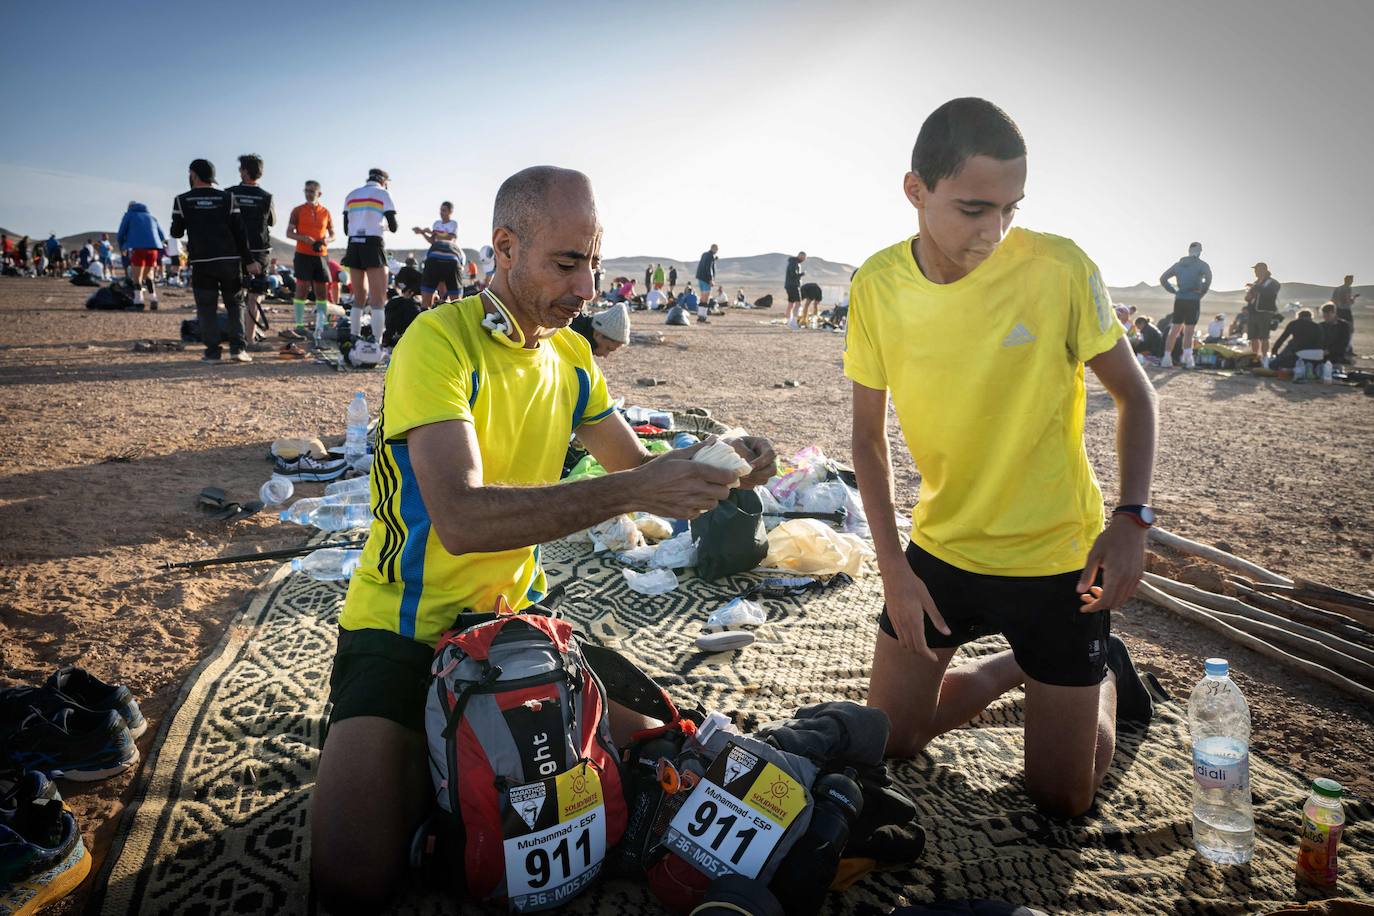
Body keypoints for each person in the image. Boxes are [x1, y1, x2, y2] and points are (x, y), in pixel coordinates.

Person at [309, 165, 776, 911]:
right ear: (504, 246)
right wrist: (634, 490)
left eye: (594, 261)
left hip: (514, 626)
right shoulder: (438, 342)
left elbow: (641, 466)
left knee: (664, 742)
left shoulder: (571, 355)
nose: (589, 286)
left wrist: (728, 464)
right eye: (568, 263)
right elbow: (460, 520)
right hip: (403, 626)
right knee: (349, 880)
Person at [848, 98, 1158, 821]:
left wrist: (1131, 518)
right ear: (915, 191)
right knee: (890, 744)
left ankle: (1104, 672)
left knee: (1061, 798)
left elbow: (1135, 396)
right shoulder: (877, 285)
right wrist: (894, 568)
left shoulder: (1058, 267)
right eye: (974, 209)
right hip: (943, 550)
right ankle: (1018, 665)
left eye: (1011, 209)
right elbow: (867, 439)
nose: (994, 232)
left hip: (1058, 559)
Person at [171, 158, 258, 363]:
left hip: (202, 262)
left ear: (193, 174)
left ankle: (212, 353)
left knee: (206, 307)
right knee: (235, 305)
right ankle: (238, 350)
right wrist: (249, 261)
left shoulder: (182, 200)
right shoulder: (227, 198)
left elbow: (176, 231)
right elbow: (240, 232)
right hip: (229, 260)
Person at [342, 168, 397, 346]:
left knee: (359, 296)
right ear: (384, 181)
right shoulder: (383, 194)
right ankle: (376, 341)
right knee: (378, 298)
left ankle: (354, 336)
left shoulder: (351, 194)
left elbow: (345, 229)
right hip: (373, 244)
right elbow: (394, 226)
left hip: (353, 245)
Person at [287, 180, 335, 339]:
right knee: (301, 290)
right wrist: (303, 238)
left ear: (319, 194)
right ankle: (299, 325)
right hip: (302, 254)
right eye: (306, 190)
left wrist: (326, 241)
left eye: (311, 191)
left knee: (321, 292)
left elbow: (333, 234)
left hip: (321, 255)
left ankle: (322, 324)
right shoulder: (297, 210)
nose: (308, 194)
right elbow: (289, 233)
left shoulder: (326, 212)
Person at [1158, 242, 1212, 368]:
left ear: (1188, 251)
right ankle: (1188, 360)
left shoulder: (1178, 265)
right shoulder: (1202, 265)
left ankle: (1166, 358)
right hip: (1193, 299)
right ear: (1199, 251)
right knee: (1189, 331)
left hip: (1180, 298)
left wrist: (1173, 290)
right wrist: (1202, 291)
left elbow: (1163, 278)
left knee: (1174, 329)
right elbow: (1208, 278)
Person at [116, 200, 167, 308]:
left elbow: (121, 233)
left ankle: (138, 301)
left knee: (137, 276)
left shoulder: (129, 215)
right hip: (153, 249)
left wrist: (122, 246)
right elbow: (161, 235)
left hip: (138, 248)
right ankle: (153, 298)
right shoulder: (151, 217)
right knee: (149, 275)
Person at [412, 201, 464, 307]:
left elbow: (450, 238)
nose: (441, 212)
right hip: (436, 255)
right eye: (440, 210)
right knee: (428, 300)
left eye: (444, 210)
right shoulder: (436, 223)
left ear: (450, 211)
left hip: (450, 254)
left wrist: (432, 233)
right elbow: (433, 241)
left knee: (455, 301)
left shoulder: (453, 223)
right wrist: (423, 233)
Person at [1243, 262, 1281, 366]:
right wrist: (1249, 296)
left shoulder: (1272, 282)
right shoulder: (1256, 282)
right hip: (1253, 312)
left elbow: (1270, 292)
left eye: (1257, 270)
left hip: (1265, 312)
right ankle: (1255, 358)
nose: (1255, 272)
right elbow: (1249, 297)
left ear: (1263, 270)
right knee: (1253, 337)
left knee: (1264, 337)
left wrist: (1255, 288)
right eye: (1255, 270)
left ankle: (1264, 359)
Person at [1331, 275, 1358, 360]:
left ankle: (1338, 348)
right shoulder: (1348, 288)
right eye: (1351, 280)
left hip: (1337, 311)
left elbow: (1332, 300)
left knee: (1338, 329)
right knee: (1349, 330)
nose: (1352, 282)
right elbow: (1347, 300)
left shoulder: (1337, 289)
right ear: (1348, 280)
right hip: (1345, 311)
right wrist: (1353, 298)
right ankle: (1348, 349)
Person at [785, 251, 807, 328]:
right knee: (798, 303)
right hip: (793, 286)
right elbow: (793, 275)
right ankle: (793, 322)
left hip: (789, 285)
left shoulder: (793, 262)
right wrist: (802, 274)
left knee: (791, 304)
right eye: (803, 258)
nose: (804, 260)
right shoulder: (794, 263)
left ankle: (788, 321)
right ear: (800, 257)